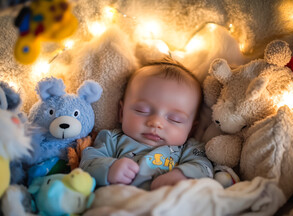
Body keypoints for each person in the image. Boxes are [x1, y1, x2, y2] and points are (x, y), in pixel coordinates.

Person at [80, 57, 213, 190]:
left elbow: (205, 168)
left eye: (175, 119)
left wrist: (181, 175)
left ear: (191, 129)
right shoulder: (112, 139)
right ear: (122, 113)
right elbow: (87, 164)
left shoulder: (190, 150)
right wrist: (110, 168)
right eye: (142, 110)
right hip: (118, 201)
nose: (156, 123)